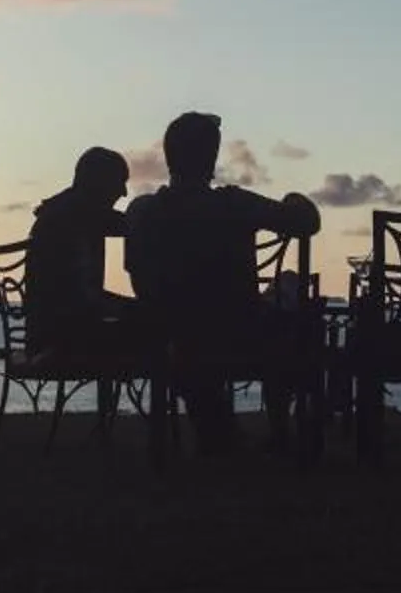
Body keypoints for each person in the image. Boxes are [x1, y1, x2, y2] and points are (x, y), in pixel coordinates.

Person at [124, 112, 321, 453]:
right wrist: (293, 199)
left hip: (170, 333)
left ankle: (219, 428)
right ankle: (285, 429)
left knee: (202, 331)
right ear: (211, 158)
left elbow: (137, 277)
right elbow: (307, 222)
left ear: (169, 156)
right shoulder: (235, 204)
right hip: (240, 330)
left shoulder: (141, 212)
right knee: (292, 300)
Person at [23, 147, 134, 355]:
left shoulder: (65, 212)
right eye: (119, 182)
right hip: (64, 340)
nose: (124, 192)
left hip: (46, 334)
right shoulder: (76, 221)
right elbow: (82, 299)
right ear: (100, 184)